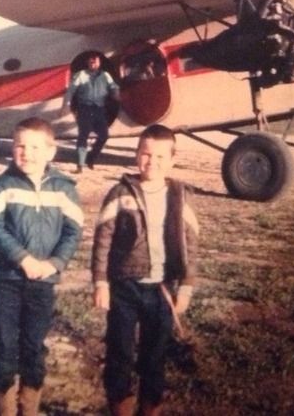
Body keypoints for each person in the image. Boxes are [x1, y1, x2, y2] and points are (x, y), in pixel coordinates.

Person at [91, 124, 199, 416]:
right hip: (124, 288)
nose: (152, 162)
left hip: (162, 290)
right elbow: (102, 240)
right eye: (146, 154)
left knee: (155, 356)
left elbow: (191, 244)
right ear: (137, 154)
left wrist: (186, 286)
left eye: (160, 156)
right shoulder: (120, 193)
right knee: (120, 352)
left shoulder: (180, 196)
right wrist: (101, 282)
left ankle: (150, 407)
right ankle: (120, 406)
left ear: (172, 160)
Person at [0, 117, 83, 416]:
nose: (27, 153)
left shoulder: (64, 188)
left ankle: (30, 406)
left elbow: (73, 230)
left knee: (34, 344)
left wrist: (55, 263)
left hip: (43, 281)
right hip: (7, 279)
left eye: (35, 147)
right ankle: (5, 405)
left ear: (51, 151)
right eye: (20, 146)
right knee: (4, 342)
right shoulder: (2, 185)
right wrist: (22, 258)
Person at [61, 52, 120, 173]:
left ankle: (91, 158)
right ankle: (80, 165)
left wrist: (117, 94)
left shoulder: (105, 75)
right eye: (91, 61)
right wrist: (66, 104)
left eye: (95, 61)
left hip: (99, 109)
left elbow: (113, 87)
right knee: (83, 135)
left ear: (99, 63)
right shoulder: (80, 75)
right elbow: (71, 91)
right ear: (88, 63)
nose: (93, 63)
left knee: (104, 136)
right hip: (85, 109)